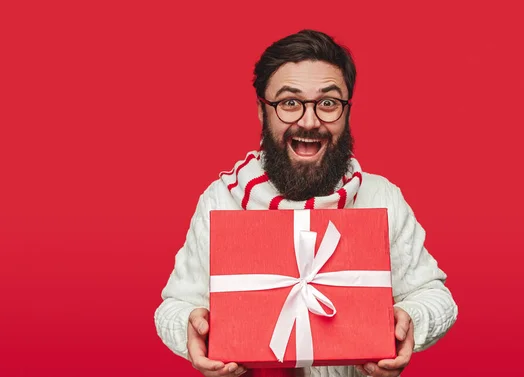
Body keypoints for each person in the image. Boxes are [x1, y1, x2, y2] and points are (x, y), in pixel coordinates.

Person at [154, 29, 458, 377]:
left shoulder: (381, 197)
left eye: (328, 103)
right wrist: (190, 329)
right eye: (289, 103)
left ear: (347, 110)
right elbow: (175, 305)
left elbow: (435, 297)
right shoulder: (221, 200)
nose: (309, 121)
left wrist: (411, 321)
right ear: (261, 111)